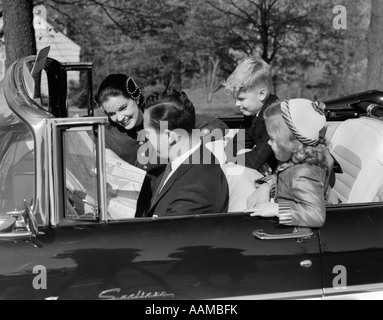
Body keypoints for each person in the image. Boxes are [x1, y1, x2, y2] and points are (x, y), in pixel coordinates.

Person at [95, 74, 228, 174]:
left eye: (123, 108)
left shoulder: (160, 114)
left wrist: (183, 143)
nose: (119, 117)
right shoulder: (106, 135)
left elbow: (217, 126)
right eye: (111, 113)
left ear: (135, 97)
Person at [142, 89, 229, 217]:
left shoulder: (193, 190)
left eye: (148, 134)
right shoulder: (197, 156)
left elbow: (167, 235)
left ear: (169, 136)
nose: (145, 140)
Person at [246, 99, 329, 228]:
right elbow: (285, 178)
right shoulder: (295, 159)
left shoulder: (305, 174)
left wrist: (276, 209)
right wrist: (267, 186)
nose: (268, 143)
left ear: (293, 145)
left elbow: (316, 214)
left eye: (272, 139)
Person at [223, 57, 279, 175]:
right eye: (235, 99)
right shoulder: (251, 115)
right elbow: (236, 143)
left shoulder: (275, 118)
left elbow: (254, 160)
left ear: (262, 94)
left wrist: (230, 160)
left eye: (241, 99)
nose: (237, 104)